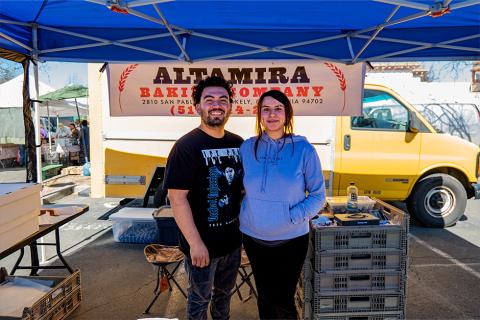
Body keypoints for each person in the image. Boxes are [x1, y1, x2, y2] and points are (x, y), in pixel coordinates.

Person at [239, 89, 326, 319]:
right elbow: (239, 187)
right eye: (266, 110)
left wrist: (292, 216)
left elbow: (318, 195)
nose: (272, 115)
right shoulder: (246, 148)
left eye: (278, 109)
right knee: (265, 299)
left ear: (287, 114)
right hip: (254, 238)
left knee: (284, 300)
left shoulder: (303, 149)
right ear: (259, 115)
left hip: (291, 239)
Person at [163, 76, 244, 320]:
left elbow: (242, 190)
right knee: (199, 300)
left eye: (223, 99)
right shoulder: (186, 146)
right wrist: (195, 243)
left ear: (230, 105)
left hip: (232, 242)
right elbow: (177, 199)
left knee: (224, 297)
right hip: (202, 246)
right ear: (197, 106)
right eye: (209, 100)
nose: (216, 105)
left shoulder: (238, 143)